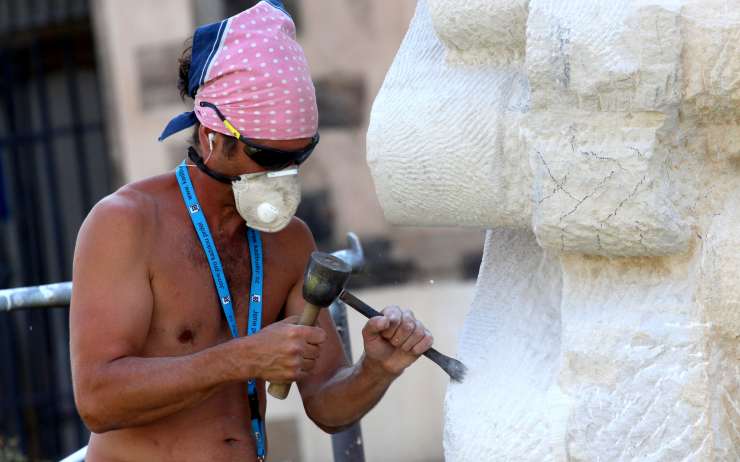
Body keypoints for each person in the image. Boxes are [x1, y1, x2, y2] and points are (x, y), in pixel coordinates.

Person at [69, 2, 433, 461]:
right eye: (267, 158)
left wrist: (377, 370)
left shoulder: (290, 239)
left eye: (298, 158)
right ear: (211, 136)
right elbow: (98, 400)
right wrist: (243, 358)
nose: (284, 174)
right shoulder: (126, 223)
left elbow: (326, 405)